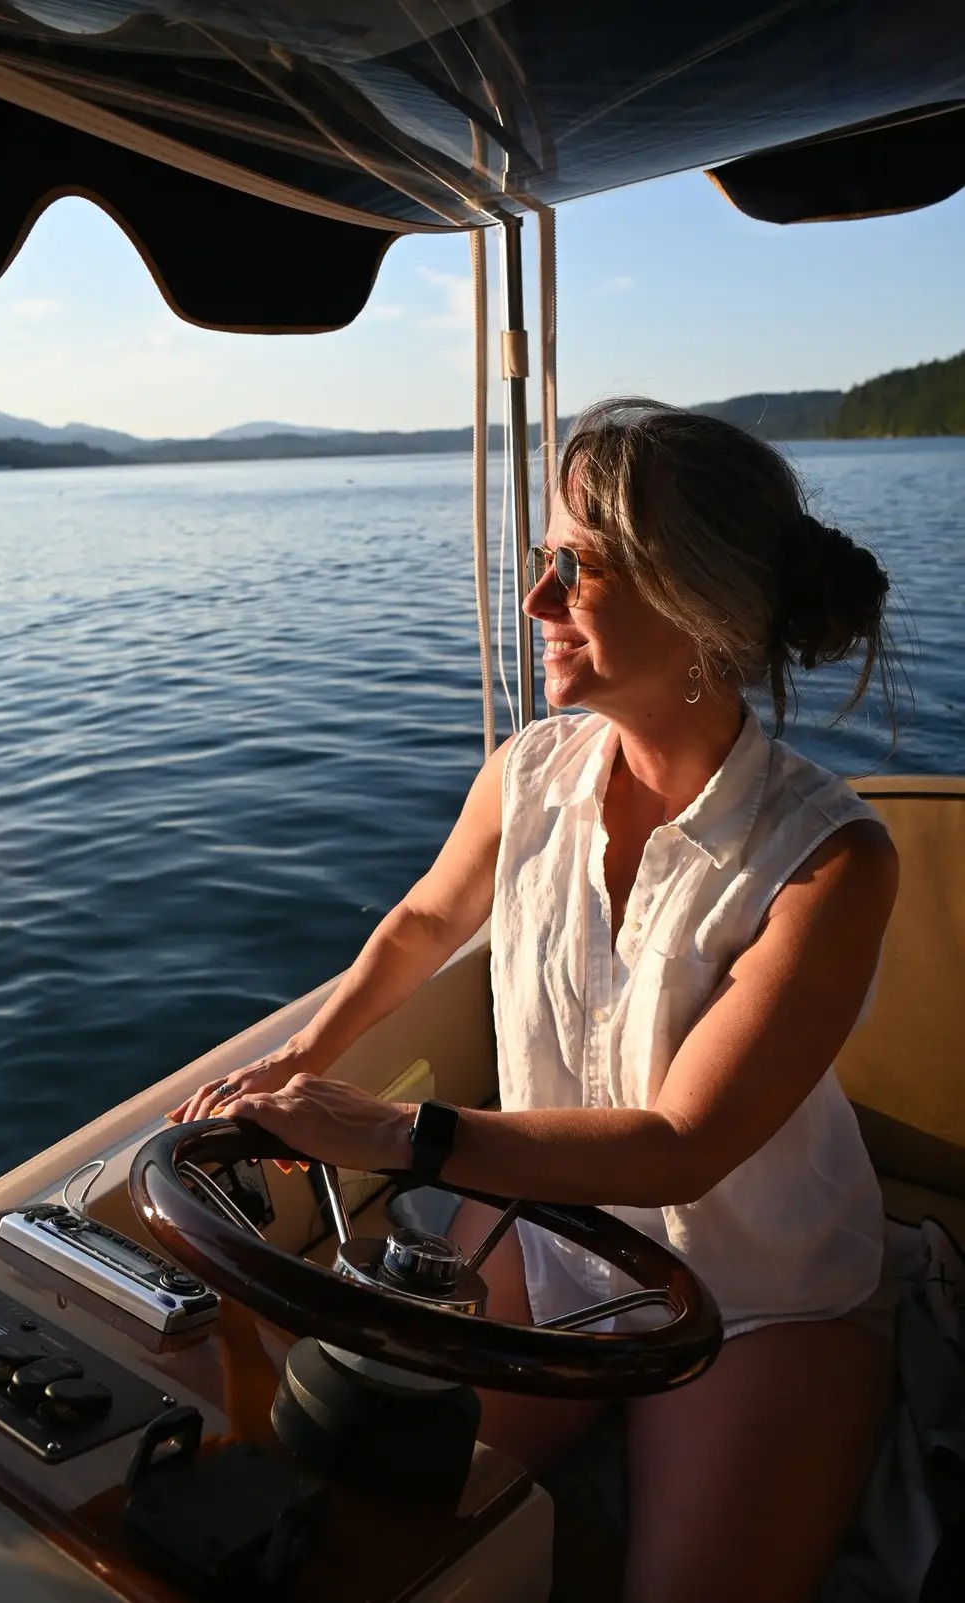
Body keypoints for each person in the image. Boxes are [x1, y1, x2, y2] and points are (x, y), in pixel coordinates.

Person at [170, 399, 901, 1603]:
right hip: (545, 1242)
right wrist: (301, 1060)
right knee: (359, 1526)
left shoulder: (827, 861)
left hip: (755, 1288)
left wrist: (393, 1131)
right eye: (538, 561)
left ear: (698, 602)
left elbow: (681, 1145)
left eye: (576, 566)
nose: (533, 603)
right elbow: (420, 925)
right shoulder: (529, 771)